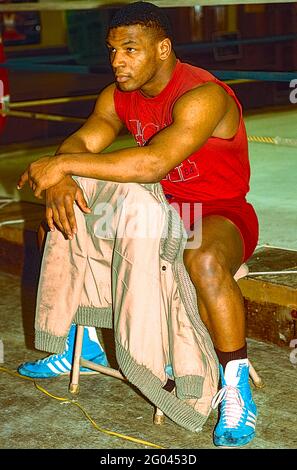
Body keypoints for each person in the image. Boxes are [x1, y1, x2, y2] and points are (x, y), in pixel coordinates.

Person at [17, 2, 258, 447]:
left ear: (163, 48)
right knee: (58, 224)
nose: (117, 61)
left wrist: (60, 165)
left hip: (216, 212)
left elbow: (153, 163)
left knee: (202, 260)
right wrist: (64, 177)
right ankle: (83, 338)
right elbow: (87, 139)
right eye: (112, 50)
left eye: (130, 49)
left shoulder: (204, 95)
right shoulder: (116, 95)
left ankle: (234, 381)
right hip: (154, 209)